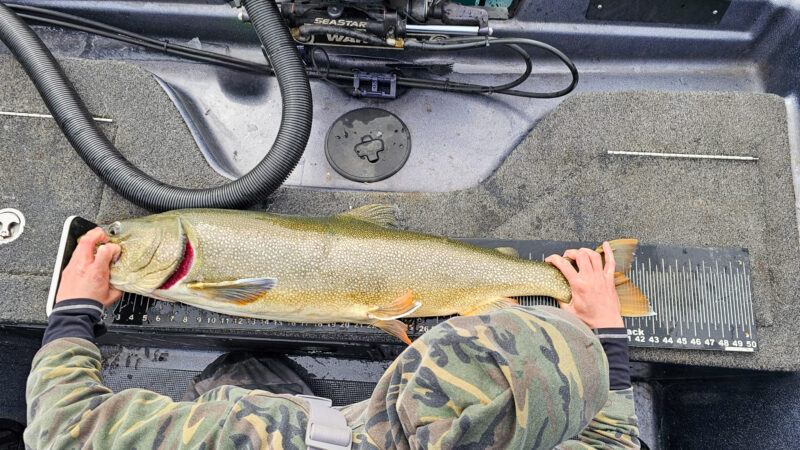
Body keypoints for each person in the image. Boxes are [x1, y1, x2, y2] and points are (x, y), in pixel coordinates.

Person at [25, 227, 640, 449]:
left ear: (408, 369)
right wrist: (605, 328)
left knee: (237, 379)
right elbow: (613, 439)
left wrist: (75, 311)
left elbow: (63, 431)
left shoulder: (260, 438)